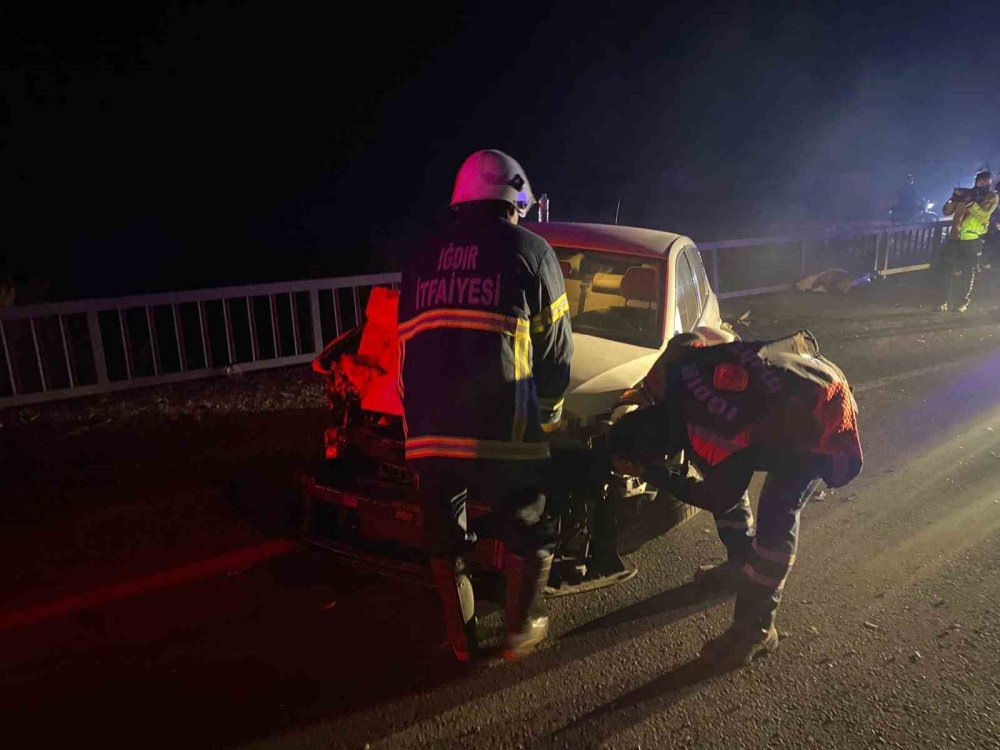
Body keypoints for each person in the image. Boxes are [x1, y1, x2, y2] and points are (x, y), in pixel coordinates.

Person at [396, 149, 573, 662]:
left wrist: (416, 426)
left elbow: (406, 344)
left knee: (444, 540)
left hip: (430, 430)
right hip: (505, 428)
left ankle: (461, 641)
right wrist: (552, 412)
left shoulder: (420, 257)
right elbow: (555, 352)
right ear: (516, 198)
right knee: (529, 526)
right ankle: (519, 631)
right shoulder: (532, 251)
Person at [606, 327, 863, 668]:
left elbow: (717, 496)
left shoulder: (711, 427)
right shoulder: (676, 380)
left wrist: (650, 474)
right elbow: (696, 344)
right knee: (720, 466)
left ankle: (756, 630)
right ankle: (742, 562)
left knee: (777, 513)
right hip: (791, 383)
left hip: (819, 413)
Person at [937, 170, 999, 312]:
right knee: (949, 269)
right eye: (980, 180)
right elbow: (946, 211)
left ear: (989, 182)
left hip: (972, 238)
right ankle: (943, 301)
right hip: (955, 237)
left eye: (985, 181)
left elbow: (983, 214)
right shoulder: (967, 193)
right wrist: (954, 198)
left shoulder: (991, 197)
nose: (982, 183)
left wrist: (970, 203)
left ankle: (961, 302)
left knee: (967, 271)